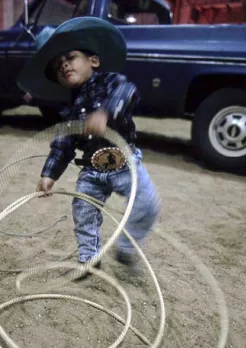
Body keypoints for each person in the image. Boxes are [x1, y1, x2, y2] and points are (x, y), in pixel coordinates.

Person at [18, 17, 161, 275]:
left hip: (123, 161)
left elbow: (128, 92)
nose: (64, 67)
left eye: (69, 58)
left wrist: (105, 112)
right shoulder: (70, 109)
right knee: (83, 212)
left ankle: (127, 249)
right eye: (57, 68)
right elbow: (63, 143)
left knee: (147, 204)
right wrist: (49, 174)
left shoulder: (111, 82)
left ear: (93, 60)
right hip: (91, 170)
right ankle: (88, 257)